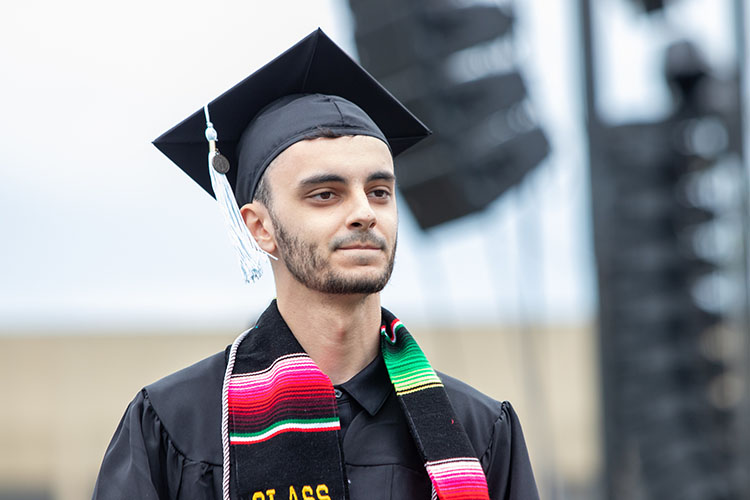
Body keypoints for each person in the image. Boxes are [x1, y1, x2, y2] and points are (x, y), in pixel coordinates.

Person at [93, 29, 539, 500]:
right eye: (325, 194)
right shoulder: (175, 426)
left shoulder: (478, 431)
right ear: (261, 228)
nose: (365, 212)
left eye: (379, 192)